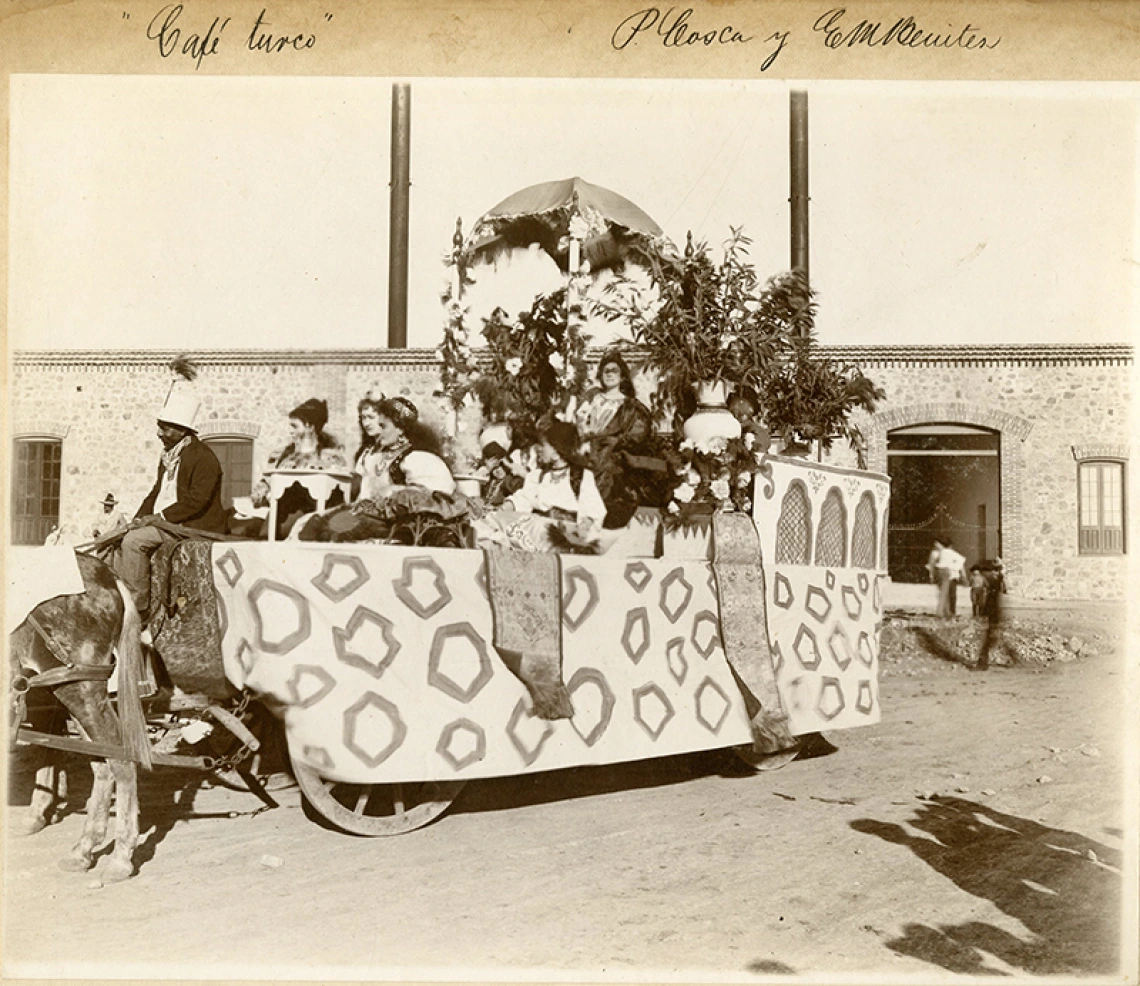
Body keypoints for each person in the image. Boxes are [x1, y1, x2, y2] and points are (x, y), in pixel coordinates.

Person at [118, 391, 226, 616]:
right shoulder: (169, 456)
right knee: (117, 537)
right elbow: (156, 492)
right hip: (166, 522)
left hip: (192, 526)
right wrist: (137, 518)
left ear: (182, 430)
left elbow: (196, 501)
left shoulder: (203, 458)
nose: (159, 433)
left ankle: (138, 610)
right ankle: (118, 598)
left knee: (134, 542)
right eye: (159, 426)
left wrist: (160, 518)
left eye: (165, 428)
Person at [298, 397, 458, 542]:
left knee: (336, 528)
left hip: (396, 521)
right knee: (313, 523)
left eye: (383, 426)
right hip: (371, 513)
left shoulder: (417, 457)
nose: (378, 431)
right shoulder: (380, 455)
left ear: (400, 429)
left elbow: (435, 497)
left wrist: (396, 491)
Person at [474, 420, 607, 552]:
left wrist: (585, 525)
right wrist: (504, 508)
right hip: (538, 538)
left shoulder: (581, 477)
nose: (539, 449)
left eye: (543, 445)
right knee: (494, 525)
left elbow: (595, 511)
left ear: (556, 452)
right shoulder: (538, 476)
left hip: (565, 539)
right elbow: (524, 499)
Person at [573, 351, 659, 526]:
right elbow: (580, 422)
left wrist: (616, 442)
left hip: (613, 455)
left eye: (614, 371)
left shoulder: (630, 406)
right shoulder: (592, 398)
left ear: (622, 377)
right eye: (606, 371)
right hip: (588, 449)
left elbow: (638, 434)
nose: (610, 374)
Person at [242, 398, 348, 539]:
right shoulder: (286, 454)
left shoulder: (330, 457)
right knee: (265, 534)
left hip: (311, 514)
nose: (291, 431)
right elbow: (268, 480)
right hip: (281, 512)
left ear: (310, 426)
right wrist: (259, 493)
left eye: (295, 426)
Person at [976, 557, 1007, 669]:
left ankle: (983, 662)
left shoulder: (992, 579)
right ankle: (984, 661)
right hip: (994, 610)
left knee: (990, 637)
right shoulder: (995, 579)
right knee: (992, 636)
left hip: (993, 610)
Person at [927, 538, 966, 619]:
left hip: (947, 573)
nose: (936, 545)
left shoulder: (945, 552)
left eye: (937, 544)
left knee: (946, 594)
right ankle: (946, 612)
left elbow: (960, 562)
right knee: (946, 594)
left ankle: (946, 612)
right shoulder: (939, 552)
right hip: (946, 573)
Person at [727, 387, 772, 454]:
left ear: (751, 409)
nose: (735, 411)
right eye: (733, 409)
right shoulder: (728, 429)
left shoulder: (759, 433)